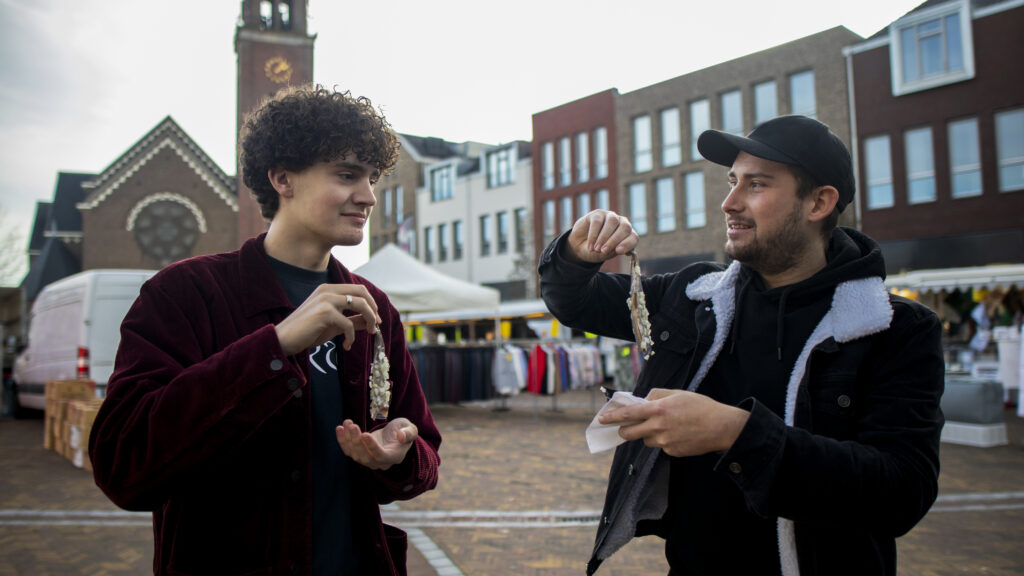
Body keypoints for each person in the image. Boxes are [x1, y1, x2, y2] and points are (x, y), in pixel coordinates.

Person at [539, 115, 943, 576]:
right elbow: (575, 302)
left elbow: (902, 492)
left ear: (818, 202)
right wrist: (575, 248)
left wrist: (736, 433)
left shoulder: (894, 329)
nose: (729, 202)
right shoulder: (695, 296)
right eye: (732, 181)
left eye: (756, 184)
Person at [89, 85, 441, 576]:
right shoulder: (185, 293)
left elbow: (424, 454)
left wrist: (398, 453)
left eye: (372, 178)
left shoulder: (374, 306)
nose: (368, 196)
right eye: (347, 175)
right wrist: (275, 347)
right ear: (282, 178)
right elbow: (123, 465)